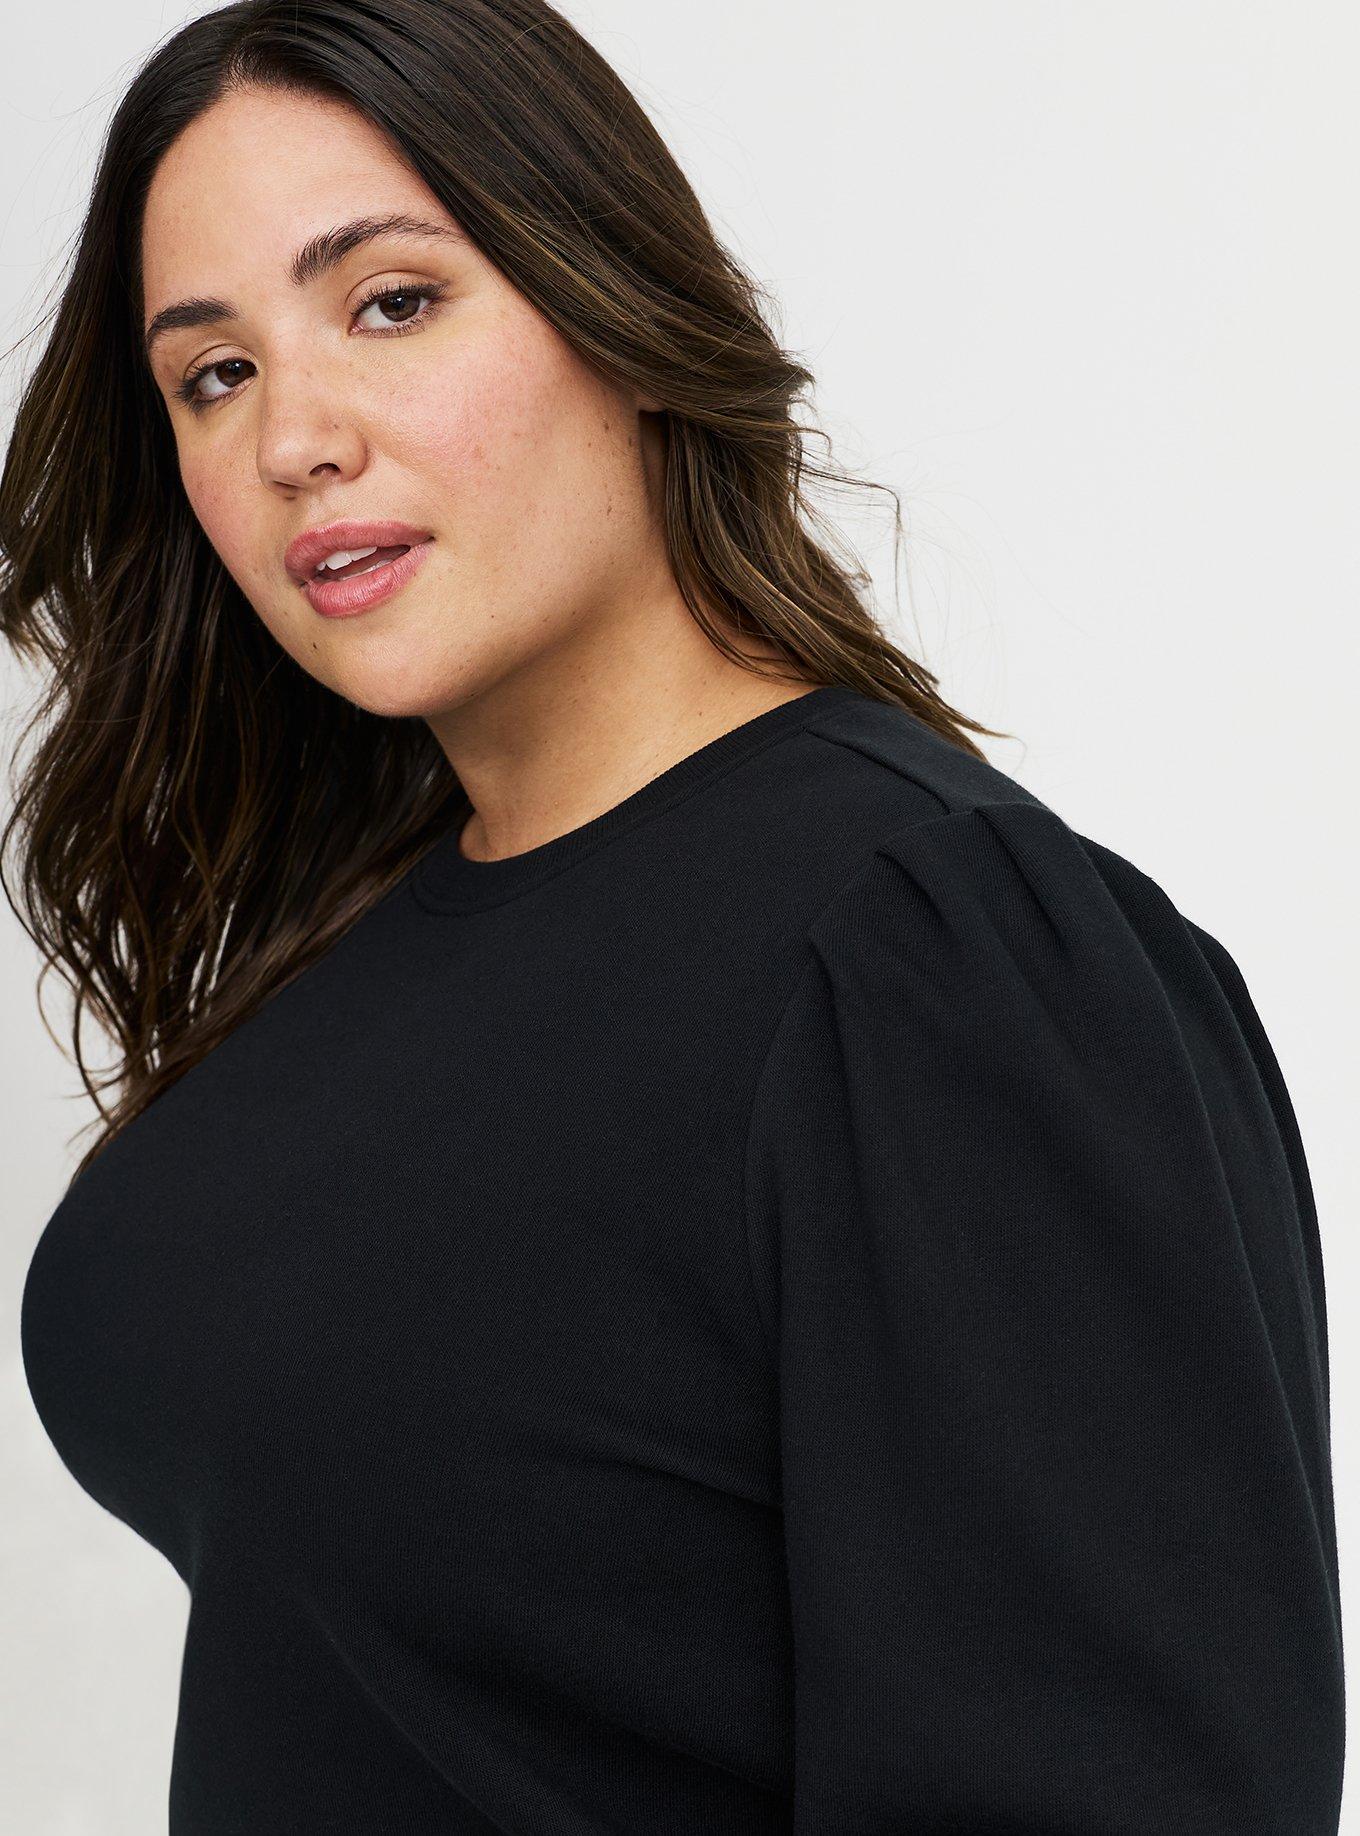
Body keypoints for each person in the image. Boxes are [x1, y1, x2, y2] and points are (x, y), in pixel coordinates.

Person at [2, 1, 1343, 1830]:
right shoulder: (360, 927)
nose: (293, 438)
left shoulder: (935, 960)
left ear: (614, 301)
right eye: (214, 373)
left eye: (392, 302)